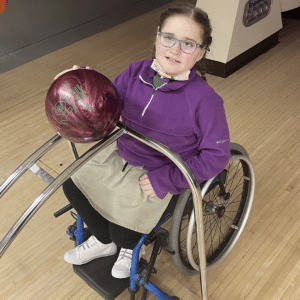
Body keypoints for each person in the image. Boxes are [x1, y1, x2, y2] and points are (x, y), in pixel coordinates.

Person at [58, 3, 231, 279]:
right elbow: (109, 104)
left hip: (158, 171)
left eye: (188, 44)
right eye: (169, 38)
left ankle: (123, 245)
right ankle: (104, 242)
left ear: (201, 52)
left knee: (124, 233)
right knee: (71, 185)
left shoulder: (206, 101)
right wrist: (85, 85)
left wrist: (166, 179)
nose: (175, 49)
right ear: (157, 38)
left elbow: (217, 155)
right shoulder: (135, 71)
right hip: (121, 152)